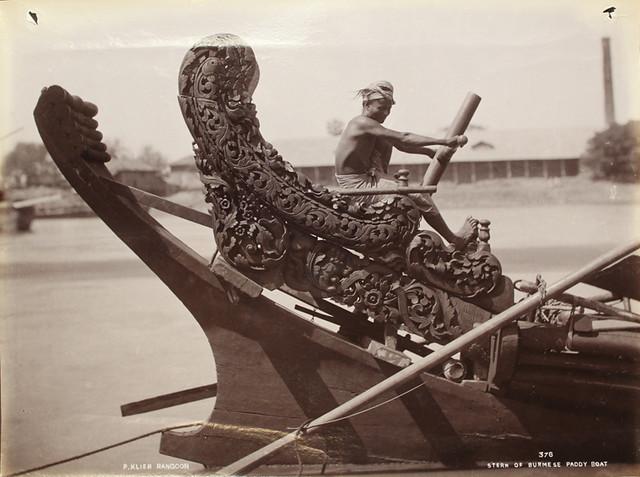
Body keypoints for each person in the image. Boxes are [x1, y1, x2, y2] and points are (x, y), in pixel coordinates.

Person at [334, 80, 477, 249]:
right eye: (381, 108)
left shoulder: (372, 127)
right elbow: (404, 137)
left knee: (386, 142)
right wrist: (444, 141)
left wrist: (428, 152)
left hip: (367, 178)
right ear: (366, 103)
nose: (386, 113)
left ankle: (394, 191)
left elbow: (400, 144)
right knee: (419, 195)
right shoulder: (361, 123)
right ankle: (455, 239)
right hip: (357, 186)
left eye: (389, 109)